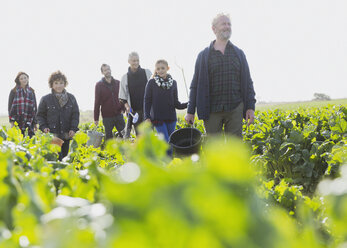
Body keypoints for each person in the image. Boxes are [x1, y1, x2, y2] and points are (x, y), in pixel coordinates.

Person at [185, 13, 256, 137]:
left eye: (229, 24)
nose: (227, 26)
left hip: (235, 107)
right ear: (214, 29)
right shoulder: (204, 56)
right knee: (214, 149)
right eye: (223, 23)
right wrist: (190, 111)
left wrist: (250, 107)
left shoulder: (239, 54)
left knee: (234, 148)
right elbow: (195, 85)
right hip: (211, 109)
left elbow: (248, 82)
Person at [144, 59, 187, 155]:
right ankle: (166, 163)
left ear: (168, 68)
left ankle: (169, 163)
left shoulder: (174, 83)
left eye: (163, 68)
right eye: (158, 69)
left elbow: (176, 103)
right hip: (157, 119)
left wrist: (189, 104)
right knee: (165, 142)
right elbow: (147, 101)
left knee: (171, 142)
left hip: (171, 118)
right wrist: (147, 116)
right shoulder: (151, 83)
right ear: (155, 70)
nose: (160, 70)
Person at [37, 71, 80, 160]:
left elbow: (75, 115)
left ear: (65, 84)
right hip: (53, 135)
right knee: (56, 159)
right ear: (52, 85)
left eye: (61, 83)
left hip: (66, 134)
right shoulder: (46, 99)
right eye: (56, 83)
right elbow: (40, 116)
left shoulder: (71, 98)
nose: (59, 85)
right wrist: (43, 127)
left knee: (64, 158)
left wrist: (73, 128)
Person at [119, 52, 152, 138]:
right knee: (139, 136)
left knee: (149, 135)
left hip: (148, 110)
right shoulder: (125, 77)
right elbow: (122, 97)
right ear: (129, 61)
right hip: (135, 113)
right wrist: (127, 107)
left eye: (137, 60)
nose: (136, 62)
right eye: (133, 61)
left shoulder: (147, 72)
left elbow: (154, 88)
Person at [94, 64, 125, 140]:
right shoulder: (99, 85)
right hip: (107, 117)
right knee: (109, 139)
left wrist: (123, 109)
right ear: (102, 72)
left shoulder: (118, 83)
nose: (107, 71)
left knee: (125, 136)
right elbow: (97, 102)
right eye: (105, 70)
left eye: (108, 69)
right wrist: (96, 118)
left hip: (119, 115)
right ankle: (110, 152)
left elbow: (123, 97)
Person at [8, 72, 37, 137]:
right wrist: (12, 122)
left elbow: (35, 108)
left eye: (25, 78)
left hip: (29, 121)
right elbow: (10, 108)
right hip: (17, 120)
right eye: (21, 79)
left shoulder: (31, 91)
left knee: (30, 140)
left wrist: (35, 123)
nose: (24, 80)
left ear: (28, 79)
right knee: (18, 140)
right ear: (18, 80)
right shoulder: (13, 91)